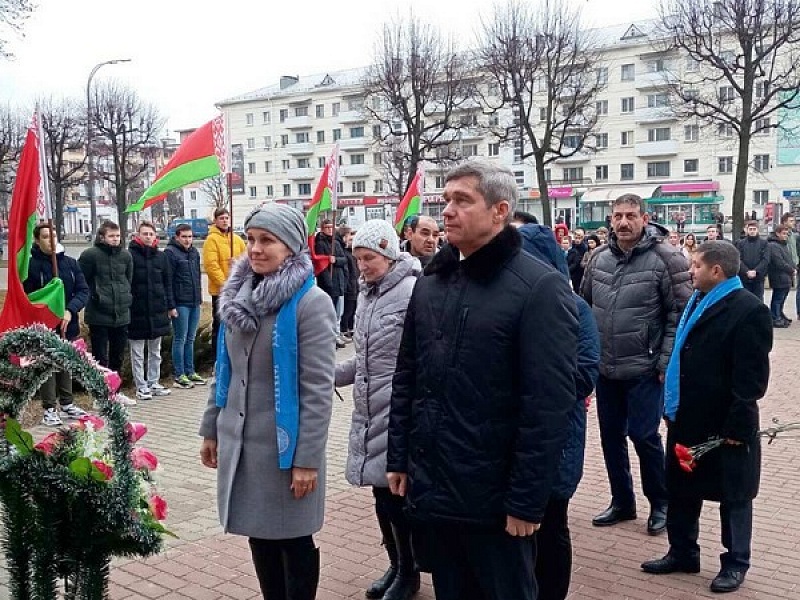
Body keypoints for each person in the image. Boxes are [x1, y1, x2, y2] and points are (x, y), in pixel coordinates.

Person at [387, 161, 578, 600]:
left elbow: (548, 406)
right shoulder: (432, 282)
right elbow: (409, 377)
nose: (448, 211)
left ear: (499, 211)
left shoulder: (538, 288)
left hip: (497, 501)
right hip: (438, 489)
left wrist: (527, 500)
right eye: (446, 199)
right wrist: (399, 458)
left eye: (462, 200)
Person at [199, 204, 336, 600]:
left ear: (291, 247)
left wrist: (306, 459)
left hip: (285, 447)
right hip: (243, 442)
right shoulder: (239, 298)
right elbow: (224, 371)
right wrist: (211, 427)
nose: (255, 249)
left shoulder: (311, 304)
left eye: (267, 241)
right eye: (252, 239)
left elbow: (317, 390)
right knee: (258, 533)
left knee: (293, 538)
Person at [641, 241, 772, 594]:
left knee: (734, 495)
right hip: (688, 416)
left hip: (726, 424)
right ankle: (682, 552)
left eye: (696, 265)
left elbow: (751, 378)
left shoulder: (748, 310)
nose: (690, 271)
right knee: (682, 489)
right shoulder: (697, 300)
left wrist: (737, 427)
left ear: (717, 270)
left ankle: (735, 562)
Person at [581, 194, 692, 536]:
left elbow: (679, 314)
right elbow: (582, 309)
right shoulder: (597, 258)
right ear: (611, 220)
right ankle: (622, 501)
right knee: (610, 437)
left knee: (644, 436)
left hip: (646, 367)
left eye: (631, 215)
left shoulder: (667, 258)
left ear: (645, 218)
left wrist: (665, 361)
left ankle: (660, 503)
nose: (624, 222)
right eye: (618, 216)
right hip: (605, 368)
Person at [335, 219, 421, 600]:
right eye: (357, 259)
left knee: (396, 495)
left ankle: (411, 570)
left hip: (400, 409)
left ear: (388, 254)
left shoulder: (412, 291)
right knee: (379, 494)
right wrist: (329, 374)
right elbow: (364, 359)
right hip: (369, 409)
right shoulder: (367, 295)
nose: (362, 266)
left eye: (369, 258)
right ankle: (396, 563)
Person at [520, 226, 601, 600]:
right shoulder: (513, 303)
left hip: (558, 437)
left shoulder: (577, 309)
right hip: (516, 440)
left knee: (551, 525)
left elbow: (585, 374)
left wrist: (533, 378)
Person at [24, 224, 89, 426]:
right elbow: (28, 297)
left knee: (65, 363)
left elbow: (83, 290)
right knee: (47, 366)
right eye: (45, 237)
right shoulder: (30, 266)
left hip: (67, 324)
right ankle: (49, 408)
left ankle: (67, 403)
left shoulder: (69, 263)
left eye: (53, 236)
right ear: (36, 240)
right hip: (44, 326)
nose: (50, 241)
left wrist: (70, 310)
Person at [78, 220, 134, 379]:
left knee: (118, 356)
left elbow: (128, 280)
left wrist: (126, 296)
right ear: (102, 237)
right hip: (99, 313)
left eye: (118, 236)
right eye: (111, 236)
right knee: (100, 357)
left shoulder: (125, 255)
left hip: (122, 314)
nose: (115, 239)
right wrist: (95, 296)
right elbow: (82, 280)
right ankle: (100, 393)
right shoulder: (90, 255)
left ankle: (115, 390)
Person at [127, 221, 176, 401]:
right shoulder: (130, 255)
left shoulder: (161, 257)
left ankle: (154, 382)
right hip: (137, 311)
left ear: (156, 236)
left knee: (156, 351)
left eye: (151, 234)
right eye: (145, 233)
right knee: (138, 353)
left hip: (157, 310)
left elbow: (167, 283)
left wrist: (170, 306)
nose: (148, 236)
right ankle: (141, 386)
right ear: (137, 235)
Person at [165, 224, 205, 389]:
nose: (188, 240)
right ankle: (179, 374)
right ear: (177, 237)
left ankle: (190, 371)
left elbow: (197, 276)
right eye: (184, 237)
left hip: (194, 301)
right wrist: (171, 305)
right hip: (180, 302)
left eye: (190, 236)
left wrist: (199, 297)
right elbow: (168, 280)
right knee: (180, 339)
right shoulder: (170, 253)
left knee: (191, 338)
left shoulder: (194, 253)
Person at [203, 207, 246, 358]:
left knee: (236, 324)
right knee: (220, 325)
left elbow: (246, 259)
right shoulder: (211, 240)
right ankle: (217, 357)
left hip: (238, 290)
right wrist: (226, 284)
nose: (224, 220)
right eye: (221, 218)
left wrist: (238, 264)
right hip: (220, 291)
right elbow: (211, 265)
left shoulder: (237, 239)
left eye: (227, 218)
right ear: (215, 221)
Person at [314, 219, 350, 348]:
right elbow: (321, 265)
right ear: (322, 228)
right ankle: (330, 337)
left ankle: (336, 334)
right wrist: (328, 283)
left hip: (338, 281)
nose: (330, 230)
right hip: (329, 283)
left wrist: (335, 261)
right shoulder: (320, 244)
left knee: (338, 312)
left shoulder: (336, 243)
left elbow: (343, 259)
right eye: (327, 227)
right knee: (330, 312)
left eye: (331, 227)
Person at [766, 224, 796, 328]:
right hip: (778, 275)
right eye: (783, 234)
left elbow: (788, 259)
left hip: (786, 276)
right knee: (778, 298)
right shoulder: (773, 245)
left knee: (782, 297)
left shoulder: (783, 244)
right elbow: (778, 262)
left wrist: (793, 268)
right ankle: (775, 317)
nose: (785, 236)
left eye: (786, 234)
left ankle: (780, 314)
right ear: (777, 233)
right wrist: (791, 269)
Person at [734, 221, 769, 302]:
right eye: (750, 229)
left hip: (759, 277)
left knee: (758, 299)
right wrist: (746, 271)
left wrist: (756, 271)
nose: (752, 231)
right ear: (747, 230)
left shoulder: (764, 243)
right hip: (744, 276)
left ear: (757, 230)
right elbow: (738, 259)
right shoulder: (741, 243)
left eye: (754, 229)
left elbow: (765, 259)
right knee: (744, 299)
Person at [338, 225, 358, 339]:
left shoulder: (354, 254)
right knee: (348, 309)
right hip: (350, 285)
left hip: (355, 284)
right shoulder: (346, 253)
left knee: (353, 308)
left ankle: (351, 327)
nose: (352, 242)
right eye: (350, 239)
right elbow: (348, 271)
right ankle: (344, 329)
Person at [566, 227, 588, 293]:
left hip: (579, 274)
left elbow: (578, 262)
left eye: (579, 237)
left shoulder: (584, 248)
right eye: (576, 236)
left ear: (583, 237)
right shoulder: (572, 246)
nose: (577, 239)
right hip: (572, 273)